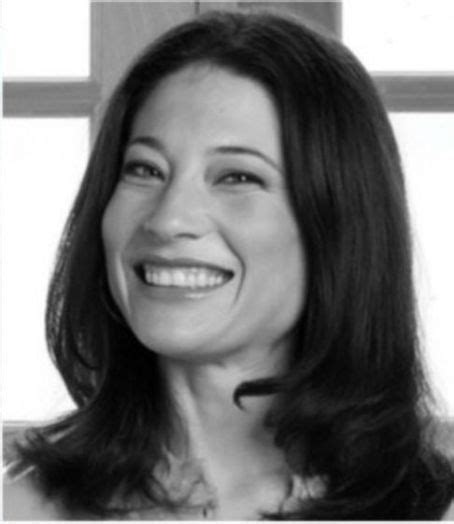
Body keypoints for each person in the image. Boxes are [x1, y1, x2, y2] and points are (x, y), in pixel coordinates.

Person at [3, 9, 454, 520]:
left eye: (237, 177)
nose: (168, 219)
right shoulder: (18, 506)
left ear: (341, 224)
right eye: (145, 169)